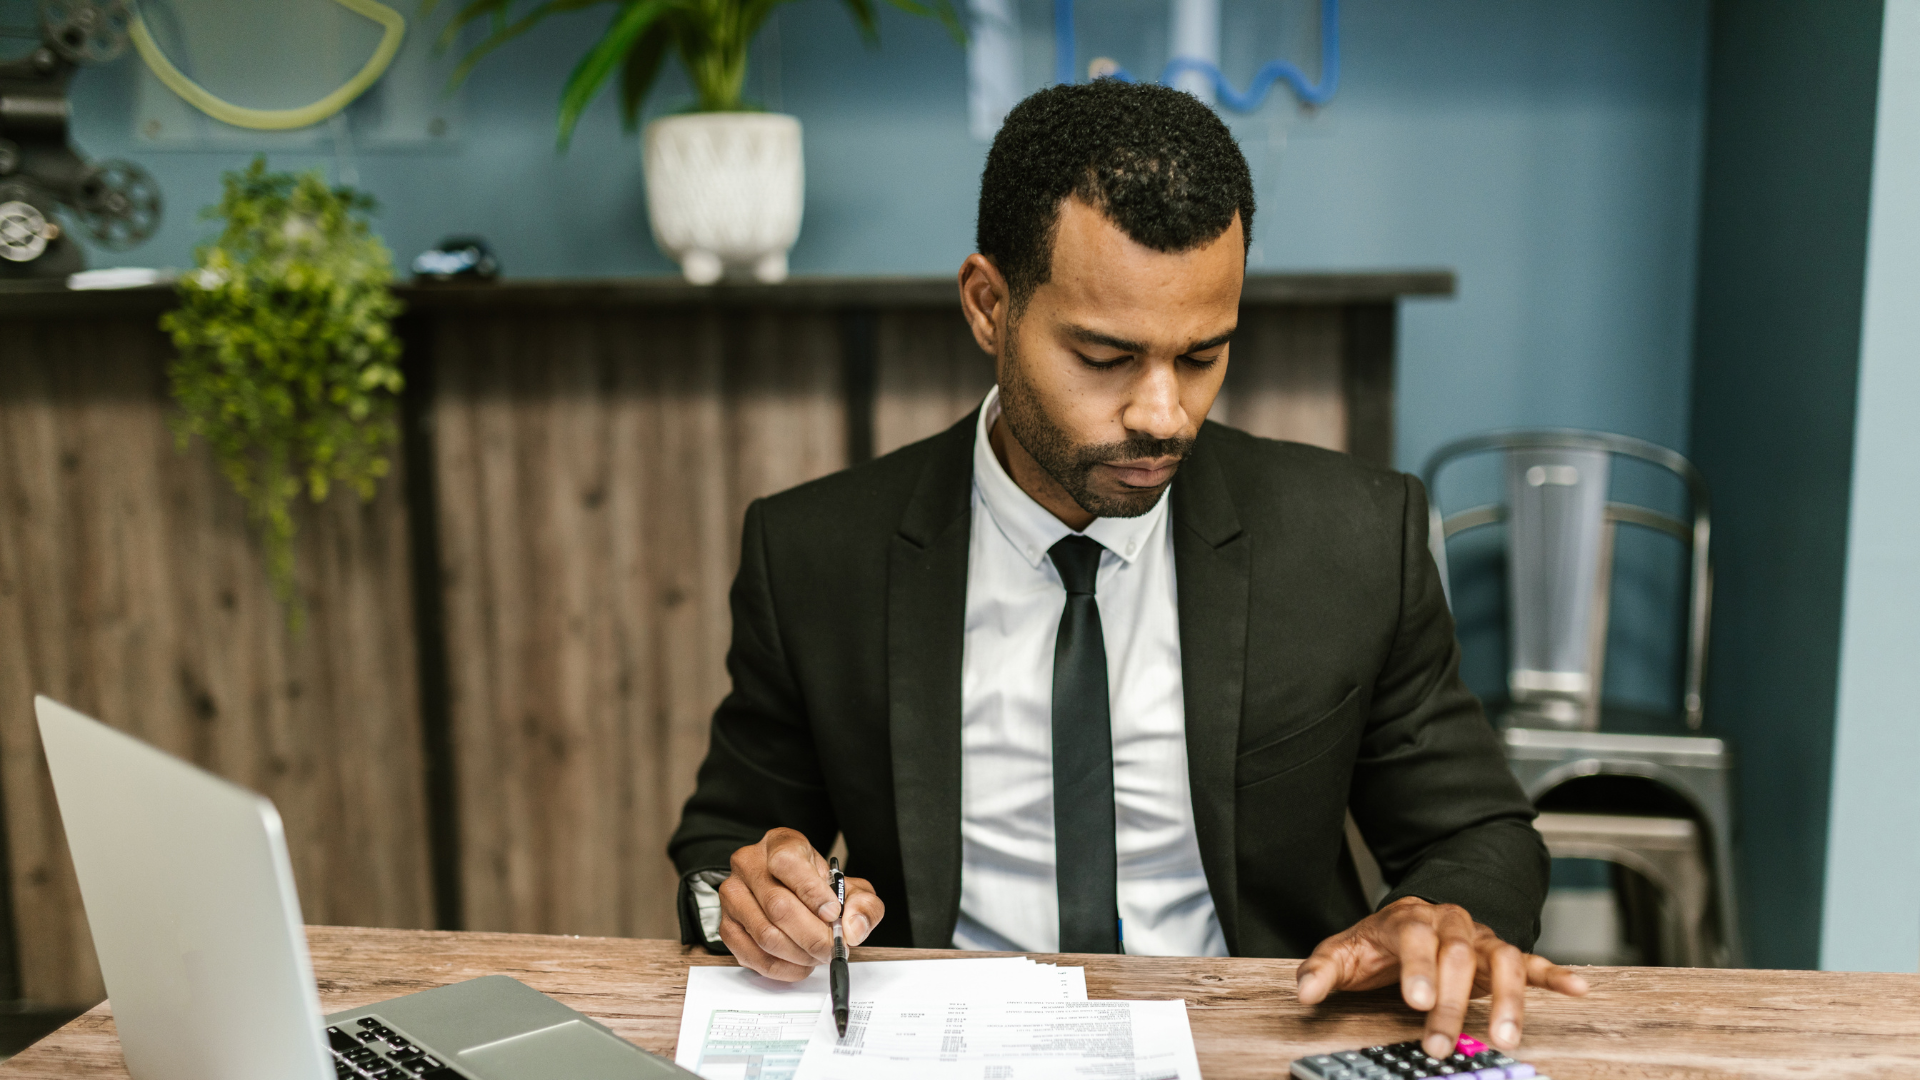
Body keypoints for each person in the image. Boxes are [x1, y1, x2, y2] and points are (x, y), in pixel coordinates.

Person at [668, 79, 1587, 1059]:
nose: (1162, 414)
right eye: (1106, 356)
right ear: (989, 305)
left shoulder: (1358, 539)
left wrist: (1437, 912)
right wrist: (746, 900)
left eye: (1202, 356)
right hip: (937, 1051)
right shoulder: (817, 552)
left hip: (1256, 1044)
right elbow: (723, 849)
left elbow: (1481, 835)